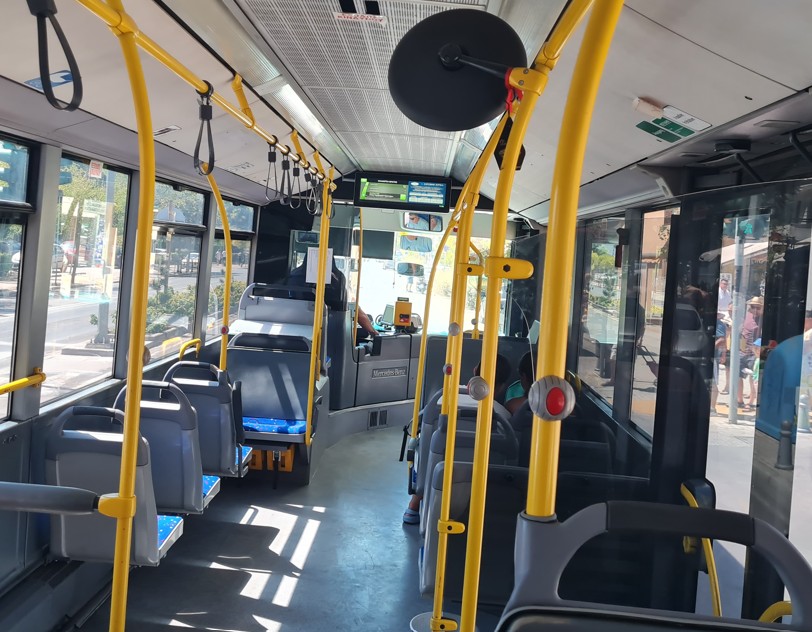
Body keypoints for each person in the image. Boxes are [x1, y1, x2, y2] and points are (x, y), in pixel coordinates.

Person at [403, 354, 512, 524]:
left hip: (434, 476)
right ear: (503, 385)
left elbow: (421, 425)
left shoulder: (443, 399)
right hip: (477, 488)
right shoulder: (501, 416)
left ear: (475, 371)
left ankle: (414, 505)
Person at [738, 296, 763, 411]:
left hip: (755, 353)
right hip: (742, 351)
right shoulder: (746, 315)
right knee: (738, 376)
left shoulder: (763, 319)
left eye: (758, 308)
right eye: (753, 307)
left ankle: (751, 402)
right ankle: (739, 400)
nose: (755, 310)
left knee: (753, 378)